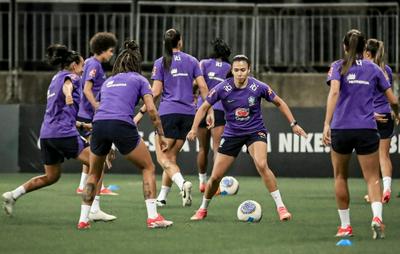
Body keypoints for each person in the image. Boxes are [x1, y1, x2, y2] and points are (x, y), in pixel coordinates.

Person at [188, 54, 307, 222]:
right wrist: (194, 129)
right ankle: (203, 209)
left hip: (255, 132)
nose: (240, 73)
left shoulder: (259, 87)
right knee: (215, 177)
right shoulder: (223, 88)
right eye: (236, 70)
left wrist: (293, 123)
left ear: (249, 70)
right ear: (232, 71)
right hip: (232, 133)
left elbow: (279, 102)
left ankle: (281, 207)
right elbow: (203, 107)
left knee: (261, 164)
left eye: (243, 70)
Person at [2, 45, 113, 222]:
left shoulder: (54, 79)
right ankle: (94, 210)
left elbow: (59, 111)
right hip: (63, 134)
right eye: (82, 65)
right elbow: (68, 86)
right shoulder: (73, 78)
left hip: (48, 134)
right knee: (98, 163)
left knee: (52, 176)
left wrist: (82, 125)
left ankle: (13, 194)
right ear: (74, 65)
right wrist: (69, 94)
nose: (83, 69)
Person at [77, 40, 173, 229]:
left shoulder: (107, 82)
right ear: (136, 63)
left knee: (94, 173)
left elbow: (101, 110)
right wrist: (161, 134)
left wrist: (106, 141)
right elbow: (152, 110)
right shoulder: (139, 79)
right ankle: (153, 217)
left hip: (99, 125)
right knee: (148, 167)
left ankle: (83, 219)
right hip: (121, 124)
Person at [323, 29, 399, 239]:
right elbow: (393, 100)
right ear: (364, 48)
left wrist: (326, 124)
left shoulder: (338, 66)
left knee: (340, 176)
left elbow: (335, 92)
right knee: (373, 178)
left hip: (341, 129)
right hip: (367, 129)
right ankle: (376, 218)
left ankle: (346, 226)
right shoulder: (374, 68)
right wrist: (397, 113)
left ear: (345, 47)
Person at [134, 28, 212, 207]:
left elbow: (155, 92)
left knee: (163, 159)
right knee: (171, 157)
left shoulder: (161, 62)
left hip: (168, 113)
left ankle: (182, 184)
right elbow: (203, 87)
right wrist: (209, 110)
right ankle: (162, 197)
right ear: (180, 42)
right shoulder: (192, 60)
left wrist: (140, 113)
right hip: (189, 115)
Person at [76, 32, 118, 197]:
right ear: (102, 50)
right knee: (98, 152)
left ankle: (82, 185)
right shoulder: (94, 65)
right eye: (110, 51)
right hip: (88, 114)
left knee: (92, 150)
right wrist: (97, 106)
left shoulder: (88, 63)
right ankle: (97, 187)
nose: (111, 54)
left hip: (85, 113)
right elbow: (86, 89)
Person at [196, 38, 231, 193]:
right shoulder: (229, 68)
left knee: (203, 148)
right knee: (217, 148)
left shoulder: (203, 63)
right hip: (218, 109)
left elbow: (196, 83)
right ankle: (214, 185)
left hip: (202, 108)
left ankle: (202, 182)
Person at [362, 39, 394, 204]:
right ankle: (387, 188)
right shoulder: (387, 70)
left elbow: (362, 97)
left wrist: (369, 114)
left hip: (372, 116)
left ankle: (375, 192)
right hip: (387, 115)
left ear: (368, 53)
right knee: (385, 155)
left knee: (372, 159)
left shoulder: (367, 71)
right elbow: (391, 97)